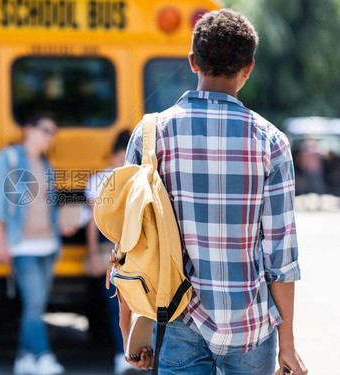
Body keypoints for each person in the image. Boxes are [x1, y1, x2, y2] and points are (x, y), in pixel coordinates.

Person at [121, 9, 307, 375]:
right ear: (248, 68)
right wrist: (288, 343)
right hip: (250, 326)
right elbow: (281, 257)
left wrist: (131, 329)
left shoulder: (150, 135)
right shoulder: (271, 143)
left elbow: (130, 245)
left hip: (176, 320)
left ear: (193, 61)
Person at [0, 114, 75, 375]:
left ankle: (24, 358)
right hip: (21, 246)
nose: (50, 136)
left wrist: (62, 225)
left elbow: (50, 206)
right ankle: (43, 355)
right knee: (35, 302)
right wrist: (0, 241)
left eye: (53, 132)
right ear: (28, 129)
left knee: (36, 304)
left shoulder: (47, 165)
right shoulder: (9, 159)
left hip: (47, 245)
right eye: (45, 130)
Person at [84, 130, 135, 375]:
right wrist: (93, 257)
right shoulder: (102, 180)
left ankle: (133, 354)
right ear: (118, 153)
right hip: (115, 252)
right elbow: (94, 222)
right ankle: (123, 354)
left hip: (126, 251)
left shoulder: (135, 176)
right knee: (120, 305)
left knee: (131, 306)